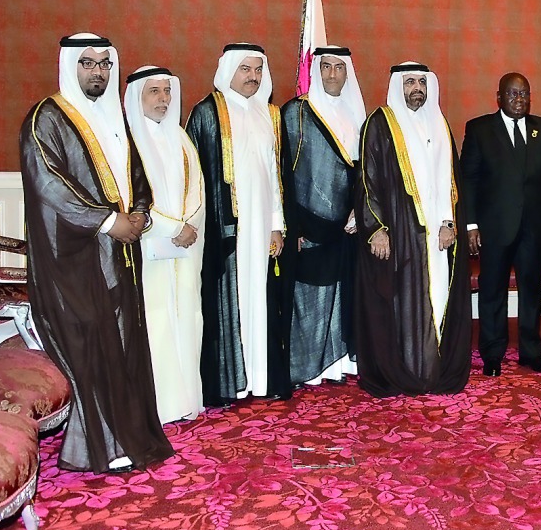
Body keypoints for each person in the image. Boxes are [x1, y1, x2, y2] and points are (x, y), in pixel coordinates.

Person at [20, 33, 172, 472]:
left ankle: (127, 433)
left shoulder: (114, 117)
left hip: (120, 251)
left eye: (105, 64)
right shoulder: (46, 118)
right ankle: (97, 444)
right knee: (92, 345)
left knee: (123, 343)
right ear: (71, 66)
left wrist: (140, 211)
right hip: (74, 256)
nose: (98, 72)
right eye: (88, 64)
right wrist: (109, 221)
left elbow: (134, 172)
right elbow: (49, 183)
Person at [354, 62, 471, 397]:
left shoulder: (440, 122)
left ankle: (433, 371)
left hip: (437, 235)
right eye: (409, 82)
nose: (416, 88)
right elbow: (366, 181)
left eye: (422, 82)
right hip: (399, 234)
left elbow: (451, 179)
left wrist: (449, 222)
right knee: (404, 303)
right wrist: (376, 228)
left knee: (437, 298)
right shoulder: (379, 124)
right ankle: (406, 372)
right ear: (397, 86)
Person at [186, 43, 291, 406]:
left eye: (258, 70)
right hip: (224, 231)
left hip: (262, 226)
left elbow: (277, 178)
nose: (252, 77)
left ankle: (262, 377)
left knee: (262, 299)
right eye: (245, 69)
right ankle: (230, 382)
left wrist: (277, 225)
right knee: (227, 301)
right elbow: (193, 177)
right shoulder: (207, 114)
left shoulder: (270, 114)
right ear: (229, 70)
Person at [461, 72, 541, 376]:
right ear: (499, 97)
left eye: (524, 94)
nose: (518, 100)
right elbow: (467, 181)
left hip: (534, 227)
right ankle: (492, 354)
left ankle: (531, 352)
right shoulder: (479, 129)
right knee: (492, 288)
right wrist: (470, 225)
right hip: (494, 228)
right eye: (512, 94)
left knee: (531, 289)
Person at [123, 65, 206, 424]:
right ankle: (156, 405)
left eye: (167, 91)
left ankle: (185, 400)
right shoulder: (127, 141)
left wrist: (186, 227)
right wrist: (171, 227)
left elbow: (197, 189)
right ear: (136, 97)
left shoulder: (182, 138)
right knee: (153, 321)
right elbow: (128, 198)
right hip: (146, 246)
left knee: (186, 317)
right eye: (153, 92)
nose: (163, 99)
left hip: (183, 247)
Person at [279, 46, 364, 386]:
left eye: (338, 68)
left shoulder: (358, 114)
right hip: (308, 223)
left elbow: (364, 171)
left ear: (348, 74)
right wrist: (293, 224)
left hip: (348, 224)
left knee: (344, 291)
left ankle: (339, 361)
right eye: (325, 67)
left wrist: (361, 210)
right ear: (315, 71)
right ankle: (307, 366)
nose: (331, 74)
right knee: (310, 295)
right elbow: (283, 174)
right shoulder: (295, 114)